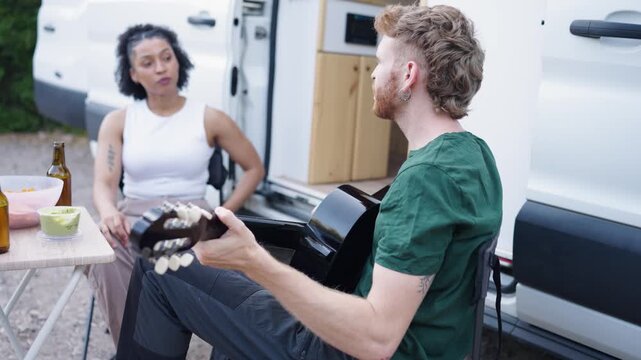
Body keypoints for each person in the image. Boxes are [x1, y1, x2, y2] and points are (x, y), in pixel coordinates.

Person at [117, 4, 502, 359]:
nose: (371, 72)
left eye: (380, 62)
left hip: (340, 350)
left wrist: (254, 263)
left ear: (408, 75)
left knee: (159, 266)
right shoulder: (473, 154)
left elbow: (377, 337)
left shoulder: (427, 179)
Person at [87, 24, 264, 346]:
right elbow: (103, 182)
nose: (160, 68)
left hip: (191, 215)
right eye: (148, 62)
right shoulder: (119, 121)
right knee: (107, 253)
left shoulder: (209, 117)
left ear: (178, 61)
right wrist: (109, 211)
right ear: (133, 73)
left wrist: (224, 213)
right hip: (135, 215)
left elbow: (253, 167)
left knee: (225, 258)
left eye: (166, 58)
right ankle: (133, 347)